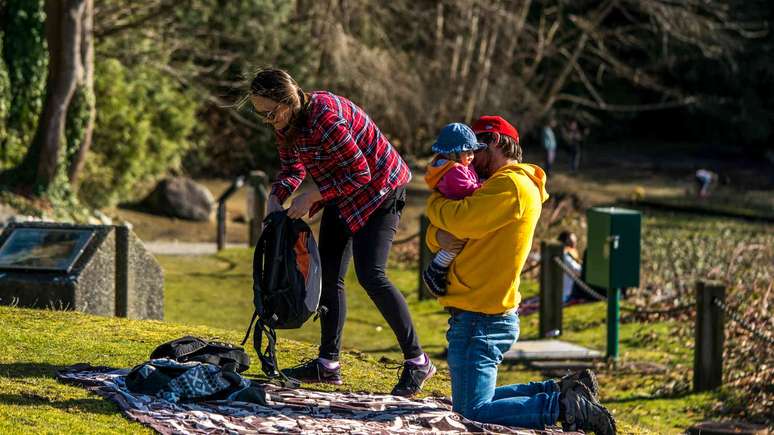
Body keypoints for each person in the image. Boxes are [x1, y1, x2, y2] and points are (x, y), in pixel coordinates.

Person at [248, 68, 435, 397]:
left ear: (287, 101)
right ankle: (328, 364)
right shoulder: (286, 125)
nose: (268, 120)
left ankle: (418, 361)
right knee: (329, 275)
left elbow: (361, 172)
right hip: (340, 190)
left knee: (371, 274)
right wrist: (275, 197)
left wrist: (312, 196)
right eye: (261, 114)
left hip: (380, 189)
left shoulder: (325, 117)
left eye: (271, 112)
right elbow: (292, 168)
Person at [424, 115, 616, 433]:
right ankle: (563, 390)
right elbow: (449, 234)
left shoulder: (511, 185)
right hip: (479, 310)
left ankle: (564, 406)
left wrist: (433, 205)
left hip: (481, 315)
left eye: (474, 148)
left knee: (471, 410)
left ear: (495, 142)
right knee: (473, 402)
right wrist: (438, 234)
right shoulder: (497, 186)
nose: (467, 158)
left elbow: (460, 222)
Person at [421, 123, 485, 296]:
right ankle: (436, 268)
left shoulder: (458, 166)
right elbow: (467, 190)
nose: (471, 156)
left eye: (472, 151)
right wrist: (485, 186)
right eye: (467, 152)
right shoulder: (453, 172)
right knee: (456, 243)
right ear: (452, 153)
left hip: (453, 210)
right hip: (457, 213)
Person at [558, 231, 582, 304]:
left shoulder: (563, 254)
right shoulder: (564, 255)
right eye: (572, 241)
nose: (574, 243)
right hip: (566, 294)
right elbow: (578, 271)